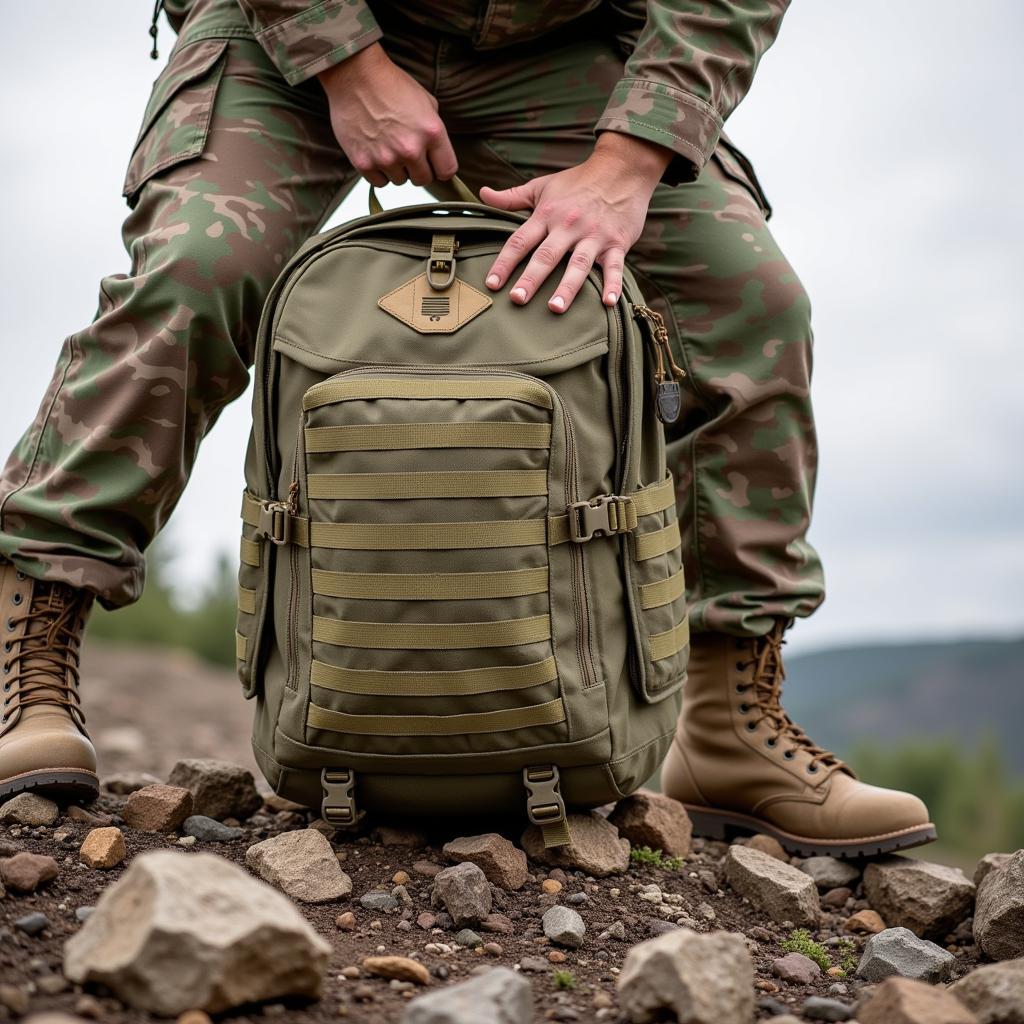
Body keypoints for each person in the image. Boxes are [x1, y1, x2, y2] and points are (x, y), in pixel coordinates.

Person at [0, 0, 936, 855]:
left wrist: (629, 161)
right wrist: (345, 62)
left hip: (564, 44)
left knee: (748, 310)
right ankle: (28, 656)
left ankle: (731, 724)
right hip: (289, 30)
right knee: (198, 272)